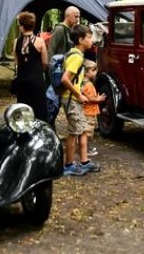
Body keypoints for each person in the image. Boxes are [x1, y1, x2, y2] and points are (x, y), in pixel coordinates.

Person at [60, 24, 100, 176]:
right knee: (73, 132)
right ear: (81, 39)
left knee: (79, 129)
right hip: (71, 99)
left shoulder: (75, 54)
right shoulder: (76, 57)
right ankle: (68, 165)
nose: (91, 40)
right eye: (89, 38)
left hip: (72, 99)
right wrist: (78, 95)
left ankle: (84, 162)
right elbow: (65, 79)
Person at [13, 12, 49, 121]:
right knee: (39, 110)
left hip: (22, 81)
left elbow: (17, 63)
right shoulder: (40, 41)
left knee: (23, 110)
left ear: (22, 26)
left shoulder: (16, 42)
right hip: (37, 81)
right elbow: (45, 62)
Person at [81, 60, 105, 157]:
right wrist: (98, 99)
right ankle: (85, 150)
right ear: (86, 72)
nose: (95, 72)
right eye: (93, 70)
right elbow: (90, 99)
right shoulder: (89, 85)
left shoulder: (83, 83)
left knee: (87, 132)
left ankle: (86, 148)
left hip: (87, 111)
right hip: (89, 112)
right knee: (88, 132)